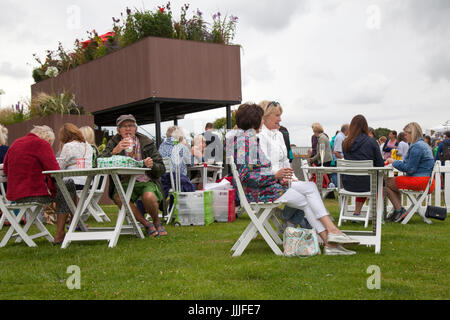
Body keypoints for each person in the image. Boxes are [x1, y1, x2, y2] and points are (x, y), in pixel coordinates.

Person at [233, 102, 359, 255]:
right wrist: (275, 176)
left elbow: (256, 172)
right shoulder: (246, 142)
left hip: (267, 189)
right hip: (262, 192)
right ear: (254, 120)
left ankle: (330, 239)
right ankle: (330, 238)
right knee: (308, 195)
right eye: (260, 117)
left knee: (307, 196)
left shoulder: (247, 140)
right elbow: (247, 176)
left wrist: (278, 178)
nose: (262, 120)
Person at [100, 114, 167, 237]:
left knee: (149, 197)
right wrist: (114, 151)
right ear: (118, 130)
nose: (128, 129)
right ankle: (146, 224)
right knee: (119, 197)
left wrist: (151, 165)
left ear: (135, 129)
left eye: (131, 125)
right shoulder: (114, 142)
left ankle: (157, 221)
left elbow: (161, 168)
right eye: (124, 126)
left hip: (145, 180)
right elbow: (99, 162)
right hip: (124, 182)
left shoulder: (147, 142)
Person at [257, 100, 311, 229]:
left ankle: (289, 221)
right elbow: (266, 165)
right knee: (307, 195)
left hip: (283, 179)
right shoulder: (260, 137)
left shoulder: (280, 135)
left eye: (280, 115)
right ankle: (292, 223)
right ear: (265, 117)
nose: (280, 119)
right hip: (270, 182)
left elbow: (285, 161)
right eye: (277, 116)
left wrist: (292, 177)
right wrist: (282, 177)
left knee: (309, 191)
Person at [3, 126, 60, 233]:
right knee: (65, 193)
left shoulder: (16, 143)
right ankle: (65, 230)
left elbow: (6, 169)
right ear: (47, 138)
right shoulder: (42, 144)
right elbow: (55, 170)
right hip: (34, 194)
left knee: (66, 191)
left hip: (14, 196)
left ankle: (74, 223)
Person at [385, 122, 435, 223]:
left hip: (420, 181)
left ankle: (399, 210)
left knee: (385, 183)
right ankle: (398, 211)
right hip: (426, 181)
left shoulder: (416, 146)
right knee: (393, 183)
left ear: (412, 133)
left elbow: (410, 168)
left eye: (406, 134)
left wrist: (394, 162)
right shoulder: (422, 145)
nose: (405, 136)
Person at [53, 123, 93, 243]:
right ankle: (75, 222)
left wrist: (60, 151)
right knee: (69, 193)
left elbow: (59, 167)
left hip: (72, 181)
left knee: (63, 193)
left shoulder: (68, 146)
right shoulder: (88, 146)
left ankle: (59, 233)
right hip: (86, 182)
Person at [341, 115, 384, 216]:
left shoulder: (345, 143)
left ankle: (357, 211)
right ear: (365, 126)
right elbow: (380, 164)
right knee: (378, 180)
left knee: (363, 177)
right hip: (367, 183)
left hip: (348, 183)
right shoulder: (372, 142)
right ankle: (379, 213)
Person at [158, 125, 196, 197]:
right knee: (191, 186)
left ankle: (172, 203)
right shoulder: (180, 146)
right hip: (177, 180)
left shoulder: (161, 146)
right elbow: (191, 163)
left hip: (163, 180)